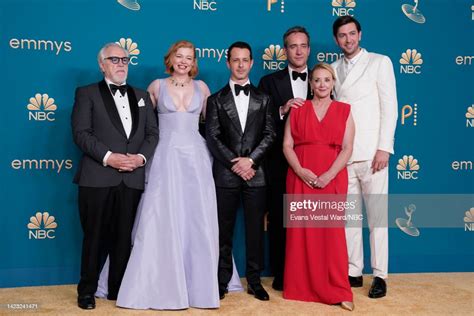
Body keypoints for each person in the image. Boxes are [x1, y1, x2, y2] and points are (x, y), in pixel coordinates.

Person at [109, 40, 234, 310]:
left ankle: (197, 287)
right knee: (159, 214)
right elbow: (142, 125)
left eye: (189, 57)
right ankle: (156, 283)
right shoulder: (156, 86)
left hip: (195, 158)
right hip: (164, 156)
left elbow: (213, 127)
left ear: (194, 62)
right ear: (171, 58)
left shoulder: (202, 88)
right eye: (179, 56)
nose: (184, 61)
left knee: (195, 217)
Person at [71, 42, 159, 310]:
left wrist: (140, 159)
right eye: (114, 59)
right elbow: (81, 134)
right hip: (98, 177)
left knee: (124, 238)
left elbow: (152, 134)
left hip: (132, 178)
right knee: (94, 236)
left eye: (125, 59)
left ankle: (118, 289)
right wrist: (110, 157)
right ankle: (86, 291)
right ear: (102, 64)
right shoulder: (86, 93)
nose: (121, 64)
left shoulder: (142, 95)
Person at [331, 16, 398, 298]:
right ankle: (354, 271)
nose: (348, 39)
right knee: (350, 219)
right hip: (344, 155)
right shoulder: (332, 69)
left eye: (352, 34)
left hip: (373, 154)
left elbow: (390, 106)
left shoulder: (380, 62)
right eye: (342, 36)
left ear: (360, 34)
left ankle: (380, 275)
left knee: (378, 218)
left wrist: (385, 147)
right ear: (336, 40)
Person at [206, 41, 276, 301]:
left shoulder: (265, 98)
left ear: (252, 63)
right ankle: (221, 281)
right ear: (227, 63)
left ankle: (255, 282)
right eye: (235, 60)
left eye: (245, 60)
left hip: (256, 175)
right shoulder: (214, 100)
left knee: (255, 232)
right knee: (222, 232)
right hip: (226, 175)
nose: (240, 65)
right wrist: (236, 163)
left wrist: (252, 162)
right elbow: (212, 137)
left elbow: (270, 134)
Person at [282, 63, 355, 311]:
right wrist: (301, 171)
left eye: (326, 80)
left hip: (332, 178)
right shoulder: (298, 110)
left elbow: (347, 148)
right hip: (300, 177)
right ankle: (300, 286)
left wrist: (328, 175)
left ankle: (338, 289)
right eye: (317, 80)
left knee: (331, 235)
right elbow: (287, 145)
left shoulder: (344, 110)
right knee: (301, 234)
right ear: (310, 83)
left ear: (333, 82)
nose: (322, 84)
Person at [258, 26, 312, 291]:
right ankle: (281, 273)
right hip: (279, 161)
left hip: (315, 161)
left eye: (303, 45)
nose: (298, 51)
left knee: (313, 220)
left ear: (309, 49)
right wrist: (282, 109)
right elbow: (258, 121)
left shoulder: (322, 78)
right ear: (285, 50)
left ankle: (311, 272)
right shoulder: (269, 82)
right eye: (293, 46)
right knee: (281, 218)